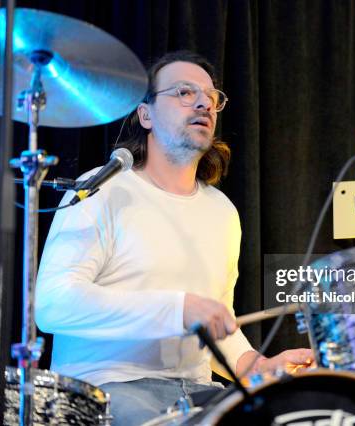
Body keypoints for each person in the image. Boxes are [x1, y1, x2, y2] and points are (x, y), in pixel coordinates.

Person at [35, 50, 314, 425]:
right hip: (106, 388)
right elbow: (53, 304)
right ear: (145, 114)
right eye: (184, 92)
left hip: (197, 394)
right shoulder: (100, 190)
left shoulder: (223, 212)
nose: (203, 102)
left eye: (212, 97)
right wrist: (177, 308)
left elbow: (219, 324)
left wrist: (255, 365)